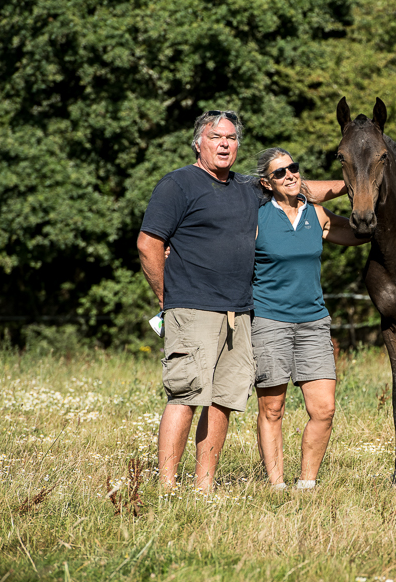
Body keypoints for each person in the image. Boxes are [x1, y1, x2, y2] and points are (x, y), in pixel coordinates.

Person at [137, 111, 345, 492]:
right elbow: (149, 243)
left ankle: (204, 486)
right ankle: (166, 487)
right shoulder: (179, 184)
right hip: (192, 306)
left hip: (240, 311)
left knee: (223, 400)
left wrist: (357, 182)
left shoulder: (249, 188)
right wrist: (167, 299)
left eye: (231, 138)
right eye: (216, 136)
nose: (224, 144)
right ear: (199, 141)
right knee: (185, 395)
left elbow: (302, 186)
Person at [251, 147, 369, 490]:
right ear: (266, 182)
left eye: (293, 168)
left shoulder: (317, 215)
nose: (290, 175)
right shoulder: (258, 219)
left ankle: (307, 483)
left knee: (324, 409)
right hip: (270, 321)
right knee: (272, 409)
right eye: (280, 173)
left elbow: (360, 232)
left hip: (314, 322)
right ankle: (276, 484)